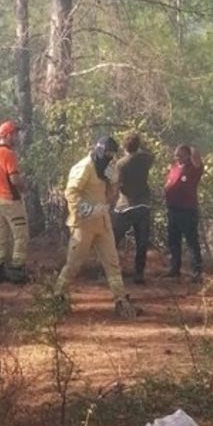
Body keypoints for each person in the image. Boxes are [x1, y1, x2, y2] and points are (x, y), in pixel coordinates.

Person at [55, 137, 140, 318]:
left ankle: (121, 300)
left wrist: (114, 183)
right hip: (83, 223)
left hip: (102, 221)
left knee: (112, 262)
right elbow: (71, 193)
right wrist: (88, 210)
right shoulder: (84, 167)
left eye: (112, 155)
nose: (109, 158)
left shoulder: (105, 169)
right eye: (107, 154)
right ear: (100, 151)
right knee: (74, 263)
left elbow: (110, 195)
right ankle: (57, 297)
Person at [0, 120, 29, 284]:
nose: (17, 137)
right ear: (8, 135)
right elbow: (14, 179)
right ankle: (17, 269)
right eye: (15, 134)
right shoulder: (9, 154)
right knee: (21, 235)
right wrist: (24, 187)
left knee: (0, 235)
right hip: (11, 200)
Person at [112, 133, 153, 284]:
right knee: (141, 242)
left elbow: (116, 182)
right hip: (143, 205)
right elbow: (151, 154)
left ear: (124, 147)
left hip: (126, 206)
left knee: (114, 238)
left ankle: (111, 270)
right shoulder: (145, 159)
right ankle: (139, 273)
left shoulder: (121, 164)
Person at [164, 144, 205, 280]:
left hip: (187, 210)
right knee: (173, 240)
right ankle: (174, 268)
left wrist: (190, 148)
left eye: (180, 154)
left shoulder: (193, 168)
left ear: (187, 156)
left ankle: (196, 272)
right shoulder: (174, 167)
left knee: (191, 241)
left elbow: (197, 158)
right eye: (176, 155)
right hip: (173, 209)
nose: (177, 157)